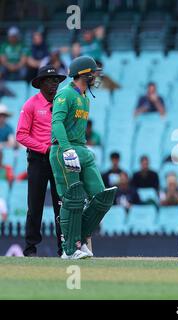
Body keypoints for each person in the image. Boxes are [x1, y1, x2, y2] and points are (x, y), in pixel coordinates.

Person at [49, 55, 118, 259]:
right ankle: (70, 249)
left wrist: (82, 148)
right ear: (83, 74)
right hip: (64, 151)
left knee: (101, 197)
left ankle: (81, 237)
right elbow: (57, 123)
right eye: (92, 73)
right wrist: (66, 148)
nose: (96, 77)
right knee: (73, 198)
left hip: (81, 149)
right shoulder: (65, 94)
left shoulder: (85, 98)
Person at [16, 65, 66, 257]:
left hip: (58, 159)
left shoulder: (61, 103)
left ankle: (64, 249)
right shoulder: (31, 104)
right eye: (50, 81)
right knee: (35, 205)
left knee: (60, 204)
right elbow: (21, 135)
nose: (54, 85)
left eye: (56, 81)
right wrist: (45, 148)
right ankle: (30, 250)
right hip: (38, 159)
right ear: (40, 84)